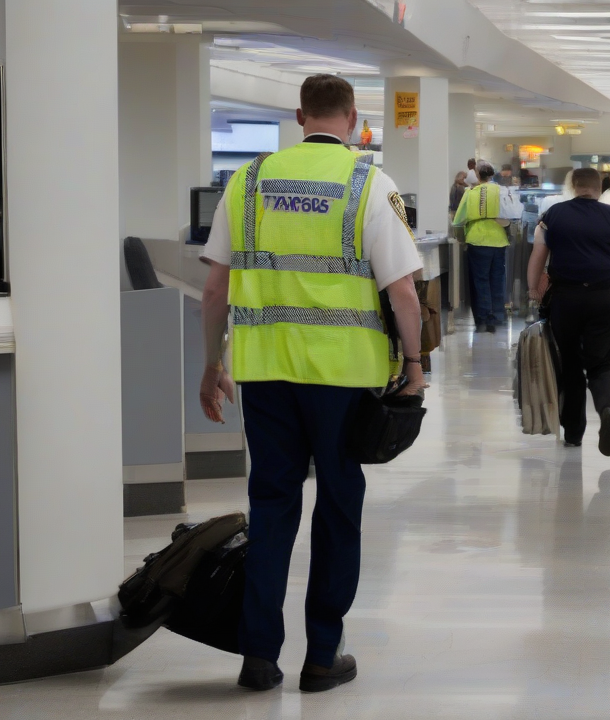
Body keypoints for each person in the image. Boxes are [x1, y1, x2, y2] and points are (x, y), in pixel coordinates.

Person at [196, 74, 425, 693]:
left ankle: (258, 657)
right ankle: (323, 655)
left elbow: (214, 289)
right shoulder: (368, 184)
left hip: (265, 373)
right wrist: (415, 365)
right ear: (352, 118)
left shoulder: (245, 184)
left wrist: (212, 361)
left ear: (300, 116)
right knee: (337, 508)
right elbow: (402, 291)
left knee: (271, 508)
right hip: (343, 378)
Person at [526, 168, 610, 456]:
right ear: (600, 187)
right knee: (604, 364)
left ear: (574, 186)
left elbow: (538, 257)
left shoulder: (552, 216)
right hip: (603, 298)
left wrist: (534, 292)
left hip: (565, 299)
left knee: (570, 365)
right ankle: (608, 408)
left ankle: (573, 433)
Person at [453, 161, 524, 332]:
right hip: (499, 240)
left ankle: (484, 317)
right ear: (492, 174)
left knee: (480, 280)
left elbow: (458, 221)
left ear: (477, 175)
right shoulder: (501, 191)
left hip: (477, 240)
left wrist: (461, 238)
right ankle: (498, 316)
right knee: (497, 278)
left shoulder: (470, 193)